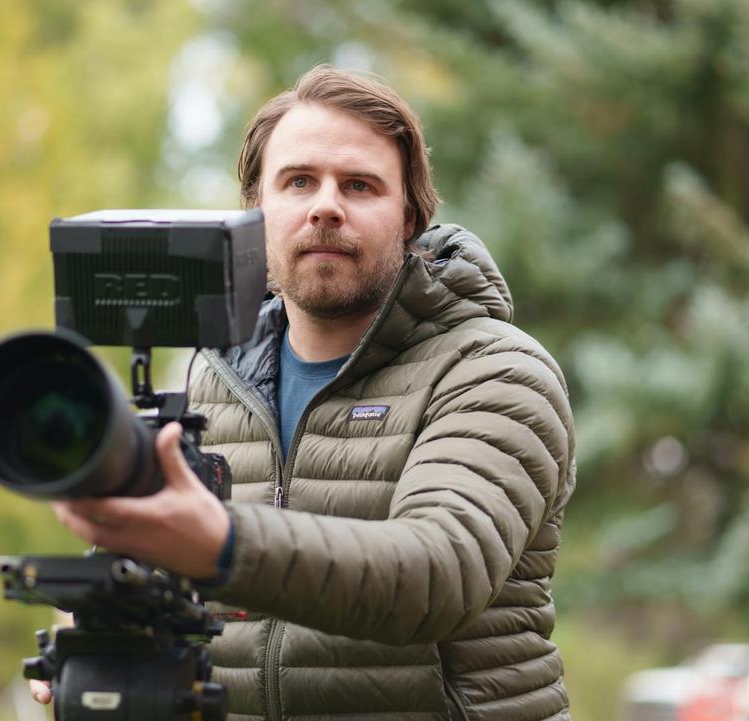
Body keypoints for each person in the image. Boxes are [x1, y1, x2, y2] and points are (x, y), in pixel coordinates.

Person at [36, 66, 575, 721]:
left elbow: (437, 572)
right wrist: (109, 631)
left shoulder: (493, 369)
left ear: (409, 217)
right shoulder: (208, 379)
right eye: (298, 181)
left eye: (359, 184)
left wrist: (221, 543)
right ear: (256, 214)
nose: (326, 205)